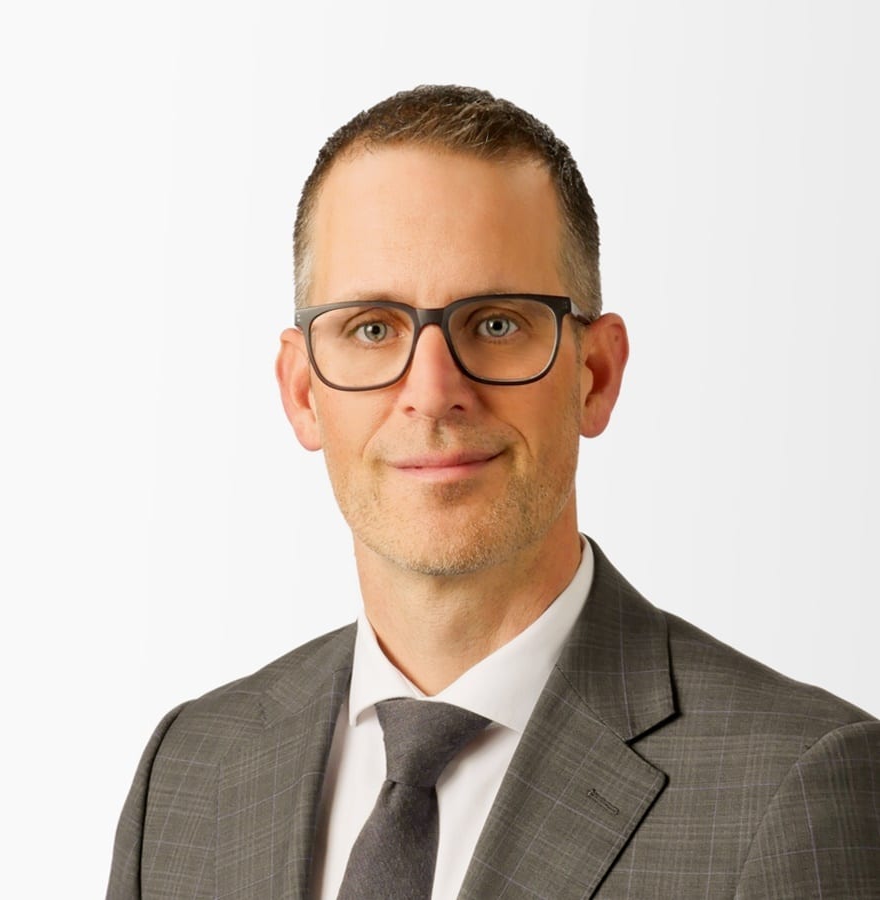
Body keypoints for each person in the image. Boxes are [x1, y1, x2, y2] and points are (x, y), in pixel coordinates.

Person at [107, 85, 880, 899]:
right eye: (372, 328)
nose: (432, 392)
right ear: (303, 392)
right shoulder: (189, 772)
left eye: (497, 323)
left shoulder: (796, 788)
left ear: (595, 375)